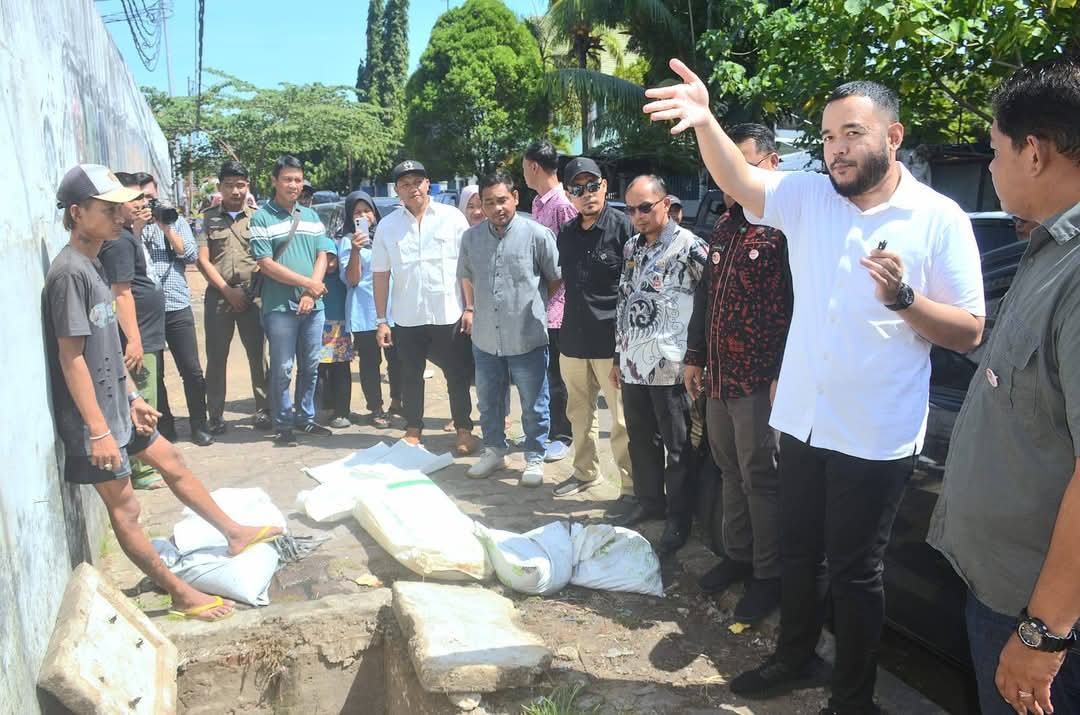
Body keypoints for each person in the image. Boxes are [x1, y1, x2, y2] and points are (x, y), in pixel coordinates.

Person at [644, 61, 986, 714]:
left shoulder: (938, 219)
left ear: (893, 136)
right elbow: (740, 179)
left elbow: (969, 330)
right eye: (828, 137)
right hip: (801, 418)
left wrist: (905, 300)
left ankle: (852, 699)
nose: (837, 149)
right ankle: (795, 656)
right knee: (798, 551)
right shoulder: (808, 198)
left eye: (852, 133)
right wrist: (706, 121)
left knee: (856, 573)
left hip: (875, 433)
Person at [47, 164, 282, 622]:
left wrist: (133, 397)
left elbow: (105, 346)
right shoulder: (69, 274)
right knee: (126, 509)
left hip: (117, 405)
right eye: (108, 209)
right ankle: (180, 594)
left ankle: (233, 533)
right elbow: (71, 358)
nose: (120, 215)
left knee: (172, 460)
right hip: (93, 421)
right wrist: (98, 430)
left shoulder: (95, 262)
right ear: (77, 213)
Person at [927, 57, 1080, 715]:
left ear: (1034, 153)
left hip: (1040, 616)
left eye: (994, 150)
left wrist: (1044, 631)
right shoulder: (1048, 252)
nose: (990, 168)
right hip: (1008, 593)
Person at [684, 124, 793, 624]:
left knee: (760, 479)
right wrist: (695, 357)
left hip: (759, 382)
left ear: (772, 164)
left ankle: (769, 577)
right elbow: (705, 298)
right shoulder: (726, 225)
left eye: (742, 164)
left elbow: (801, 307)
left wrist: (783, 371)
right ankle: (738, 556)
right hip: (720, 378)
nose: (730, 176)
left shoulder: (785, 228)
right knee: (728, 470)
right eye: (724, 165)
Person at [611, 175, 708, 556]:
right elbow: (624, 301)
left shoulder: (690, 246)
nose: (637, 216)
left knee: (678, 448)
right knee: (641, 441)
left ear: (666, 204)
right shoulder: (631, 247)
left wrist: (699, 356)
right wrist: (619, 357)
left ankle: (679, 518)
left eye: (644, 207)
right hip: (634, 364)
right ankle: (649, 502)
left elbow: (712, 298)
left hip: (672, 367)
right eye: (631, 209)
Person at [458, 170, 561, 486]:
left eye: (502, 200)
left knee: (534, 403)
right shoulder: (471, 238)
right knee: (488, 401)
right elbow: (467, 276)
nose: (496, 208)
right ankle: (494, 450)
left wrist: (531, 307)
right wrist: (471, 309)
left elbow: (554, 279)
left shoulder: (538, 235)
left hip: (527, 336)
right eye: (489, 202)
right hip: (485, 338)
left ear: (515, 198)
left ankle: (534, 456)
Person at [371, 160, 477, 456]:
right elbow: (380, 274)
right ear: (397, 190)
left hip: (448, 313)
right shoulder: (387, 226)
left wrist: (470, 307)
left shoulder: (451, 218)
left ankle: (463, 429)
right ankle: (413, 428)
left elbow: (466, 267)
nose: (412, 188)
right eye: (405, 184)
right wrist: (381, 319)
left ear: (428, 184)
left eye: (417, 182)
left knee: (457, 374)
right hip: (408, 317)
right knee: (410, 375)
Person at [549, 157, 635, 507]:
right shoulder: (567, 234)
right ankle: (585, 472)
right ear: (569, 195)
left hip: (610, 343)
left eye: (593, 186)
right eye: (578, 189)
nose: (587, 194)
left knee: (621, 421)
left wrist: (623, 349)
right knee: (579, 414)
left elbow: (634, 290)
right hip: (573, 339)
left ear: (604, 186)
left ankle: (631, 489)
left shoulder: (624, 229)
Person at [250, 155, 334, 447]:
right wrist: (308, 284)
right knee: (283, 367)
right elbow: (265, 264)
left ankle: (305, 417)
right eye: (287, 179)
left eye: (298, 180)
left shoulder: (310, 216)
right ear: (274, 181)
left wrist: (311, 293)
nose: (294, 185)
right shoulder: (261, 217)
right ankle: (283, 423)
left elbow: (323, 254)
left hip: (314, 306)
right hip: (279, 307)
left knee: (311, 365)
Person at [98, 173, 167, 491]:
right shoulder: (119, 242)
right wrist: (135, 340)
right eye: (133, 199)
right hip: (138, 336)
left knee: (147, 395)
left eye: (142, 198)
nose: (141, 204)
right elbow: (121, 292)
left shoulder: (128, 235)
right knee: (142, 399)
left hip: (147, 332)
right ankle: (142, 469)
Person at [135, 172, 213, 446]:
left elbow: (189, 255)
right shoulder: (127, 227)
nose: (148, 203)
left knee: (191, 369)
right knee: (154, 373)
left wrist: (166, 227)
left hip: (176, 304)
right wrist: (137, 228)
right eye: (142, 198)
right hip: (146, 311)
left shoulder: (174, 220)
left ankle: (199, 424)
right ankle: (165, 426)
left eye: (151, 197)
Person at [196, 160, 271, 434]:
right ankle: (215, 415)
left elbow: (266, 258)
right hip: (219, 295)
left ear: (247, 186)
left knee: (258, 355)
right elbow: (202, 260)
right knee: (217, 358)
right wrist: (228, 292)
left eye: (240, 185)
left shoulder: (259, 217)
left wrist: (247, 293)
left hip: (253, 295)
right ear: (220, 187)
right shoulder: (206, 219)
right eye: (229, 186)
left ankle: (264, 410)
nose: (235, 191)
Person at [523, 139, 577, 462]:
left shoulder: (563, 205)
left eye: (524, 168)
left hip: (561, 304)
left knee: (559, 376)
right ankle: (546, 428)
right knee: (543, 373)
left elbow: (569, 257)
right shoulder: (538, 203)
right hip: (542, 302)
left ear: (533, 167)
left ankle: (563, 434)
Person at [339, 190, 403, 429]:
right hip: (364, 311)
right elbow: (352, 279)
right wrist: (356, 250)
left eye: (367, 210)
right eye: (357, 212)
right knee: (369, 363)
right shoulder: (347, 242)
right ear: (350, 217)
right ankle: (375, 408)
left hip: (394, 309)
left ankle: (397, 403)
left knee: (398, 360)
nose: (363, 216)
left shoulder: (387, 235)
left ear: (375, 213)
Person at [315, 234, 353, 429]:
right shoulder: (314, 280)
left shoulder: (342, 279)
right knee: (320, 372)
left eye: (333, 258)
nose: (329, 263)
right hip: (318, 329)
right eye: (325, 257)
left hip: (340, 330)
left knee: (341, 371)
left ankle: (342, 411)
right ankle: (324, 409)